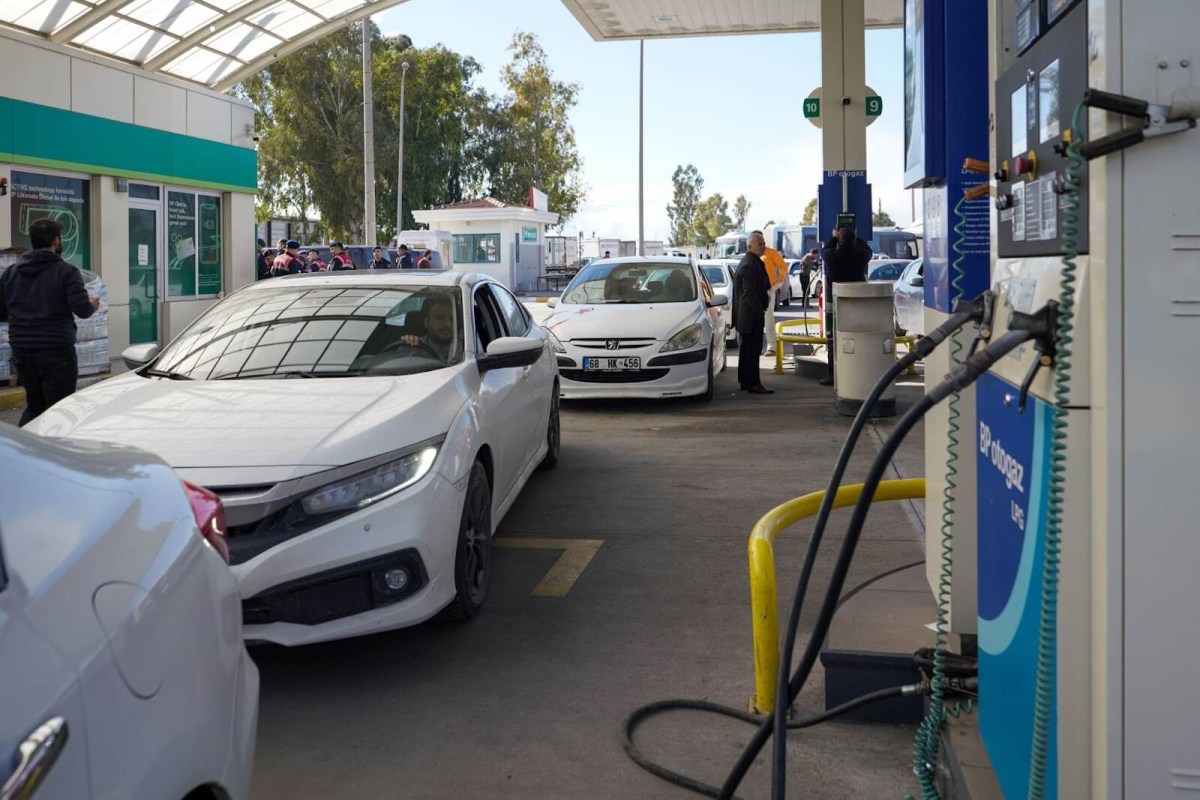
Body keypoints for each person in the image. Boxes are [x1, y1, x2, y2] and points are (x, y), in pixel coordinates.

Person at [0, 218, 100, 426]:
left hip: (22, 350)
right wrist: (93, 304)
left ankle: (24, 450)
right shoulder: (66, 271)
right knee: (59, 410)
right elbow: (82, 310)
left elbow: (1, 312)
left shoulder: (11, 273)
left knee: (35, 406)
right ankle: (53, 454)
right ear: (56, 241)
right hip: (55, 351)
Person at [818, 225, 873, 386]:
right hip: (856, 302)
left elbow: (824, 250)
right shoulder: (861, 256)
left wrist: (834, 236)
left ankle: (832, 375)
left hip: (835, 302)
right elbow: (868, 250)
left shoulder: (830, 256)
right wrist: (857, 237)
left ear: (839, 240)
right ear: (854, 240)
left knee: (833, 339)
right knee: (856, 336)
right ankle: (856, 371)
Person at [734, 231, 774, 394]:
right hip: (750, 317)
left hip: (749, 316)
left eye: (764, 243)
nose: (763, 246)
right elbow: (748, 292)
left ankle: (746, 381)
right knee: (751, 351)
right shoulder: (749, 264)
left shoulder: (754, 261)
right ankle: (753, 383)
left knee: (747, 350)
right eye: (760, 244)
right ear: (750, 246)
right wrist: (759, 311)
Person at [752, 229, 789, 356]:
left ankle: (771, 346)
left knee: (768, 318)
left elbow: (784, 267)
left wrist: (778, 284)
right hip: (753, 291)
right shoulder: (751, 255)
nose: (760, 244)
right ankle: (755, 347)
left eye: (762, 241)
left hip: (768, 290)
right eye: (757, 241)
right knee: (754, 320)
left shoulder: (771, 253)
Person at [400, 294, 458, 363]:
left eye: (452, 319)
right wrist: (407, 350)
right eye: (440, 318)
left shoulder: (467, 348)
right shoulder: (414, 346)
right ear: (426, 322)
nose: (447, 324)